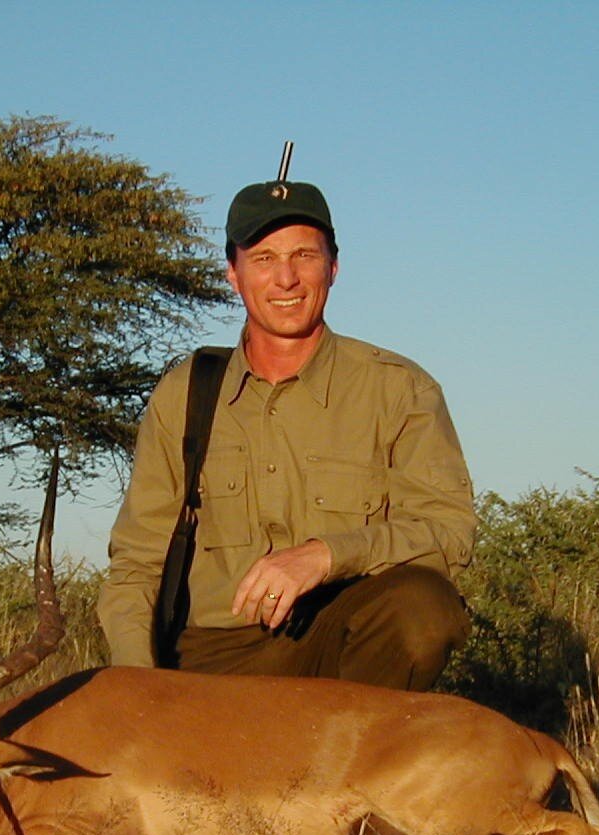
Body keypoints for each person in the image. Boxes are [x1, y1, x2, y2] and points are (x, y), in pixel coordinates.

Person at [97, 176, 476, 690]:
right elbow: (138, 563)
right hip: (214, 655)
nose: (287, 279)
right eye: (264, 259)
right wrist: (139, 691)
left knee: (423, 607)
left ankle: (359, 759)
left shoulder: (400, 388)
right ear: (233, 273)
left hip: (336, 641)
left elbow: (447, 534)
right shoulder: (185, 393)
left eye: (304, 256)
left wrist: (325, 555)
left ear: (334, 267)